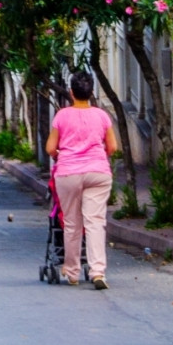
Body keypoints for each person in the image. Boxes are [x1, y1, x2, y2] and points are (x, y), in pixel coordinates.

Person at [44, 70, 119, 288]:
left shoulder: (62, 116)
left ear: (71, 92)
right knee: (95, 222)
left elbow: (50, 148)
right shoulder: (102, 116)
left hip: (68, 173)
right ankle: (97, 272)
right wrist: (95, 157)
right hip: (98, 172)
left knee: (71, 223)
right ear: (91, 92)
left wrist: (64, 155)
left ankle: (73, 272)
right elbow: (112, 147)